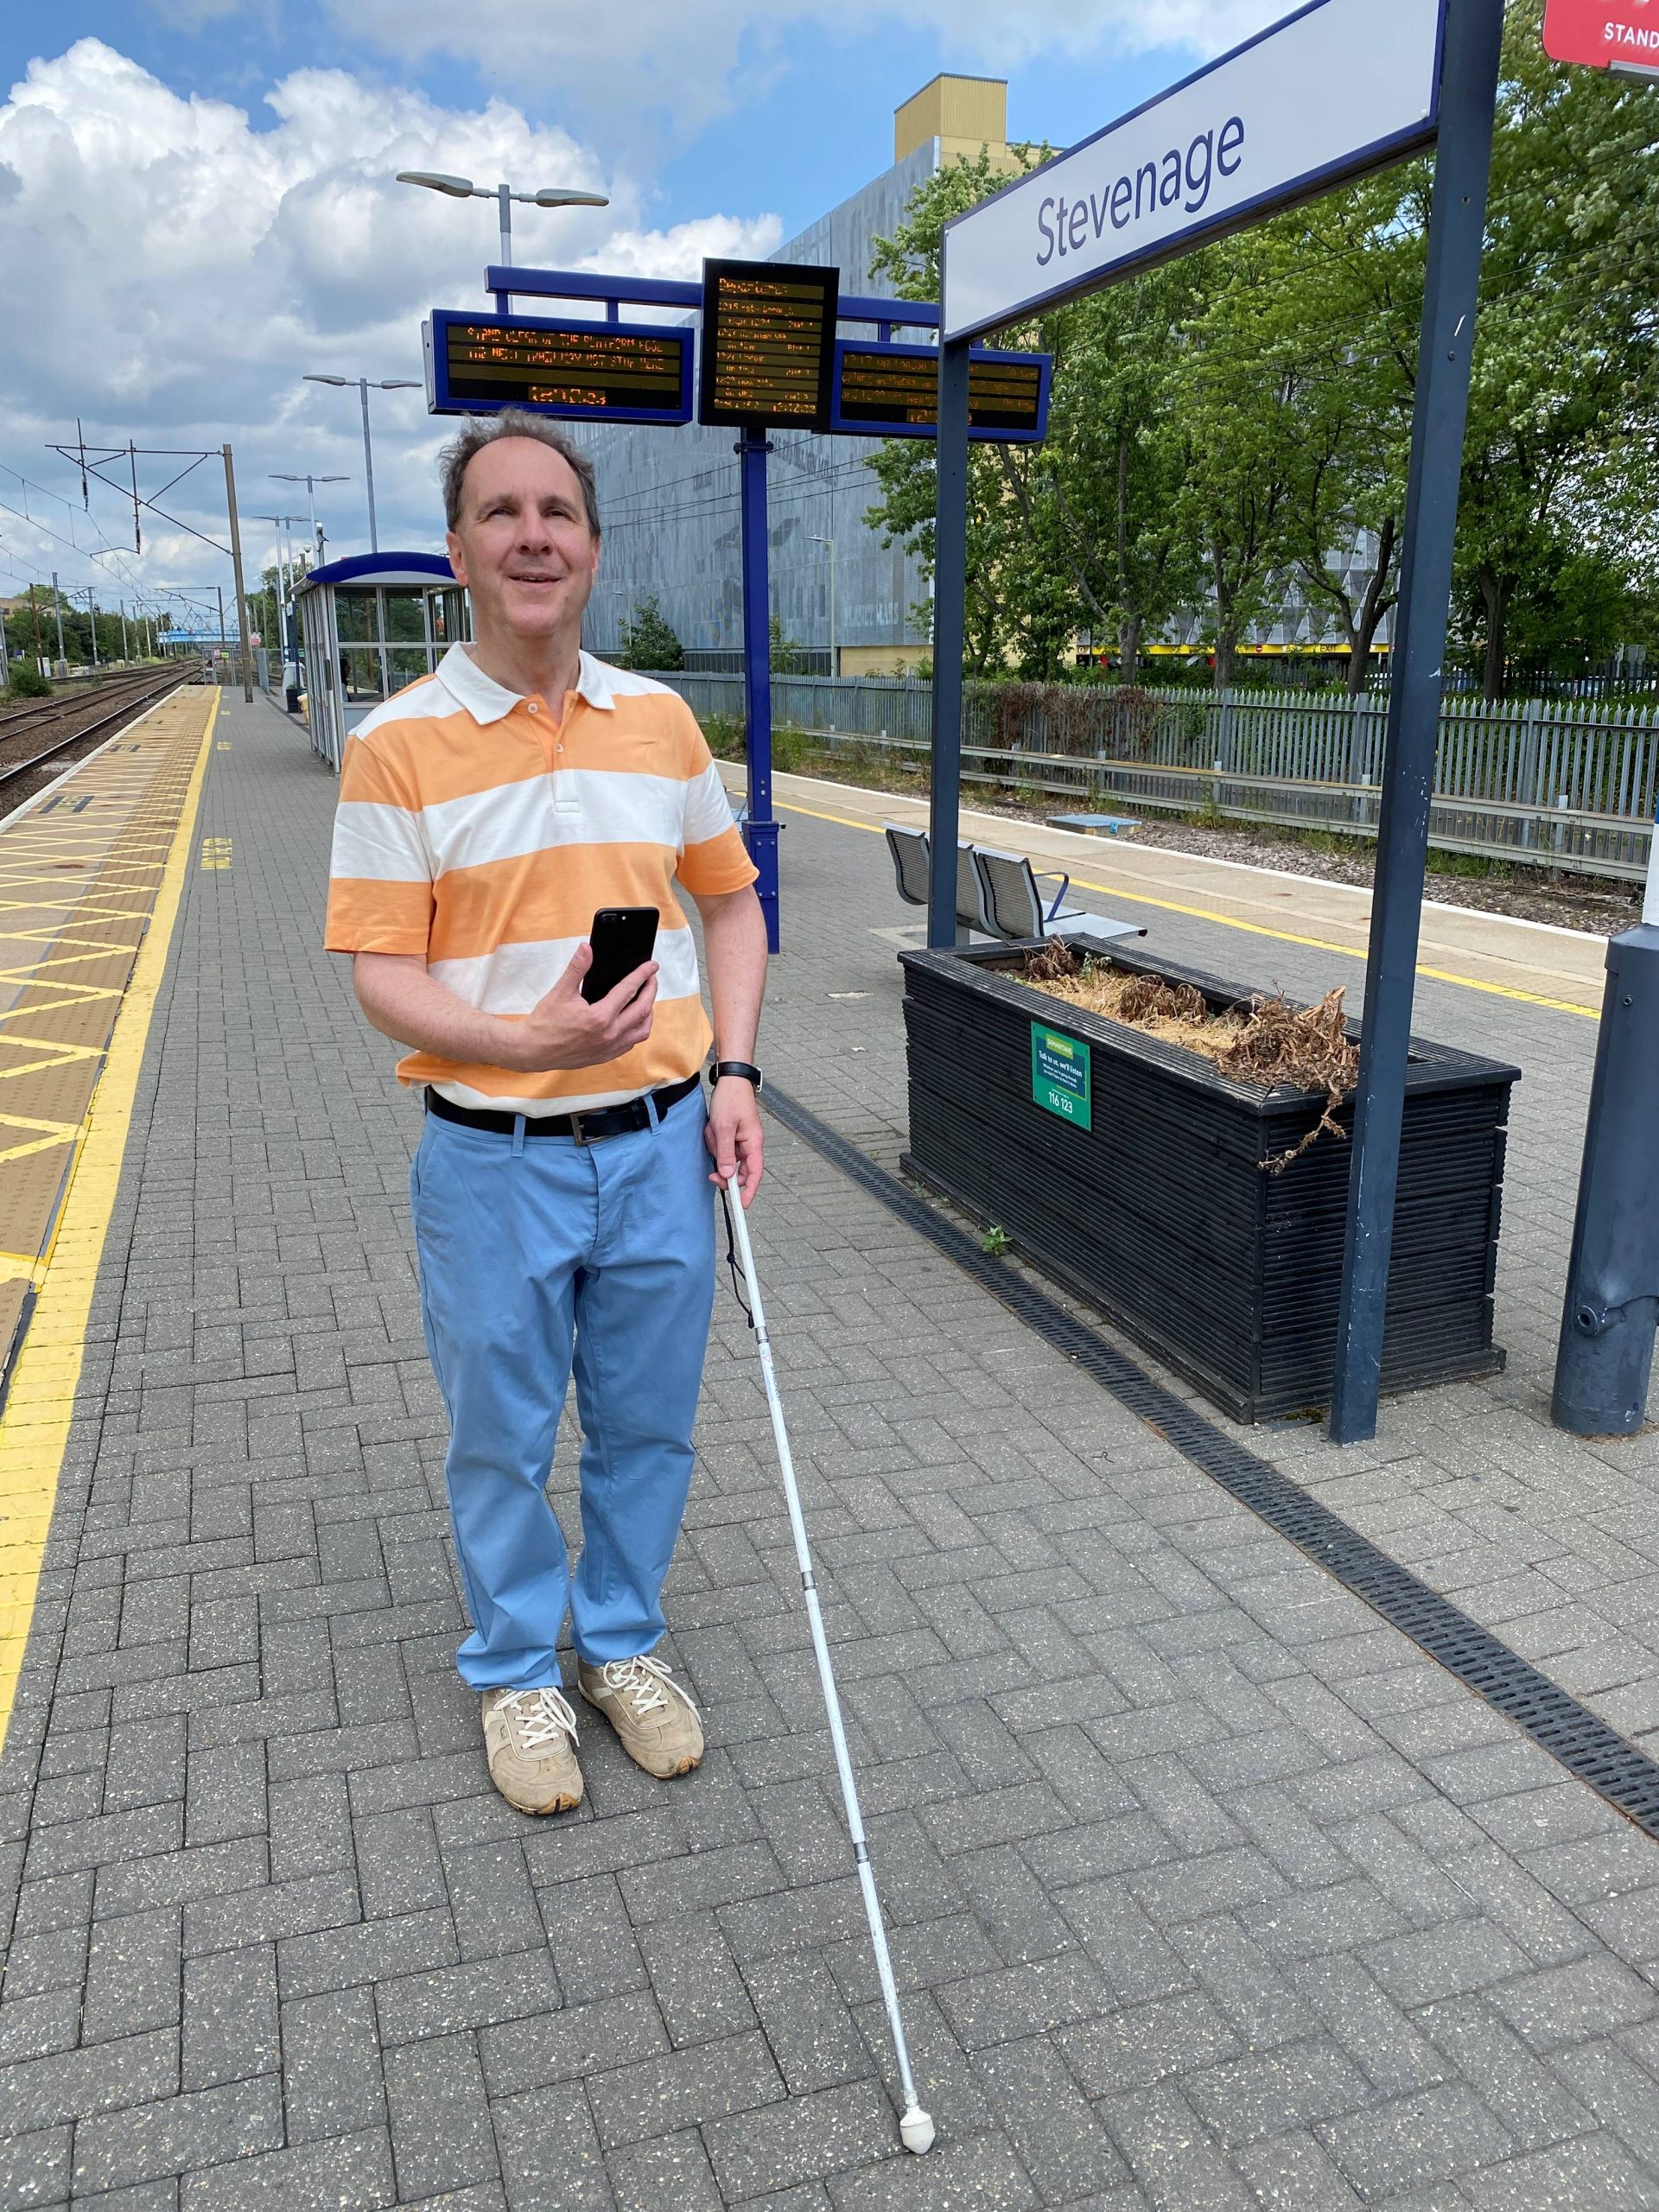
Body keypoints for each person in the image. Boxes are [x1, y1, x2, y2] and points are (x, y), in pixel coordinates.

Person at [324, 409, 768, 1816]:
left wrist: (738, 1072)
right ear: (462, 552)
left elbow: (735, 902)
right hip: (491, 1161)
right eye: (503, 513)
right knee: (501, 1435)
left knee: (647, 1426)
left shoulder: (661, 722)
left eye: (557, 513)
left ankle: (619, 1646)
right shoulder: (396, 746)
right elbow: (380, 974)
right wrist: (530, 1035)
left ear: (590, 547)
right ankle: (519, 1668)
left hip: (657, 1152)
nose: (533, 535)